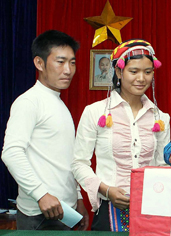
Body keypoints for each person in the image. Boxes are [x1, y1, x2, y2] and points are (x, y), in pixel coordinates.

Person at [71, 39, 170, 231]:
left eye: (148, 72)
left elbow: (163, 165)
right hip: (108, 211)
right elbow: (78, 163)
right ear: (118, 72)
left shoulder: (161, 118)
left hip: (150, 208)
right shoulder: (95, 112)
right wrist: (106, 190)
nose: (141, 78)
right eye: (134, 71)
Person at [1, 30, 89, 230]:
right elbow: (11, 153)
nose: (68, 70)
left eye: (72, 62)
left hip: (65, 212)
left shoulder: (59, 103)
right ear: (39, 63)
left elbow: (67, 158)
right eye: (60, 62)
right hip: (39, 215)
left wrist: (77, 198)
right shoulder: (29, 102)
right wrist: (41, 193)